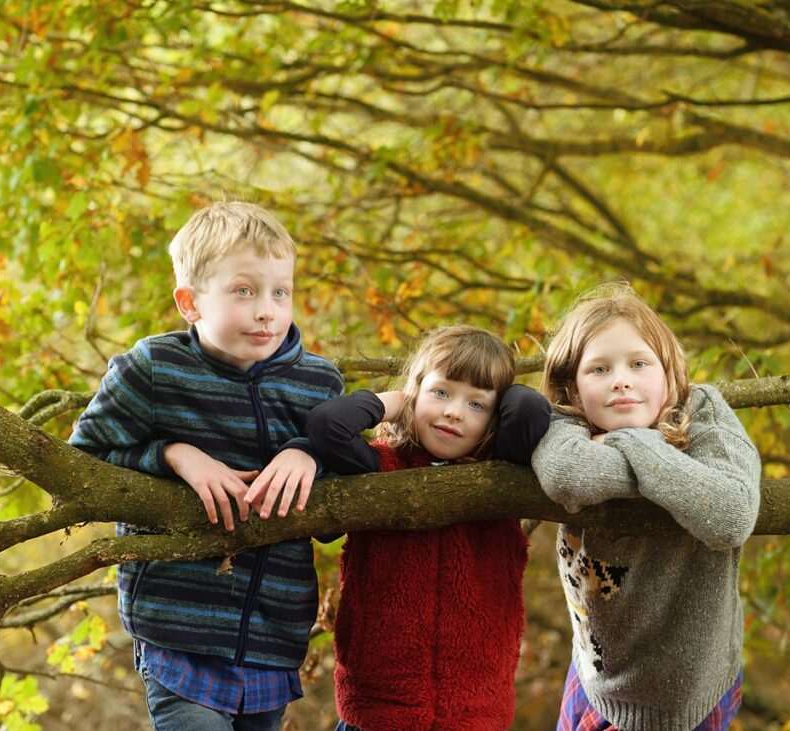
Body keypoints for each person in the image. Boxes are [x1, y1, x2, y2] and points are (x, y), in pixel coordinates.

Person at [69, 200, 344, 731]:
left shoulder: (319, 385)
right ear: (190, 302)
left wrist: (307, 451)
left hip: (273, 631)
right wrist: (174, 455)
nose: (267, 309)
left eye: (279, 292)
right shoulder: (151, 369)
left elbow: (345, 496)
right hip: (178, 628)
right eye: (245, 291)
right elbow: (81, 463)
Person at [532, 282, 761, 731]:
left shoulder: (704, 412)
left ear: (671, 376)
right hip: (596, 675)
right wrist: (669, 468)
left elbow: (730, 515)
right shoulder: (563, 422)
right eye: (598, 368)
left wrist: (633, 440)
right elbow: (568, 474)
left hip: (689, 690)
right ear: (573, 389)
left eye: (639, 363)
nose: (621, 379)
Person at [299, 324, 551, 731]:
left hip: (473, 713)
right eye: (441, 393)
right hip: (378, 709)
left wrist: (505, 393)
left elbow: (530, 412)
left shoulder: (501, 476)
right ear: (415, 391)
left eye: (477, 404)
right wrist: (396, 402)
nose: (453, 411)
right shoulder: (380, 467)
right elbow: (328, 426)